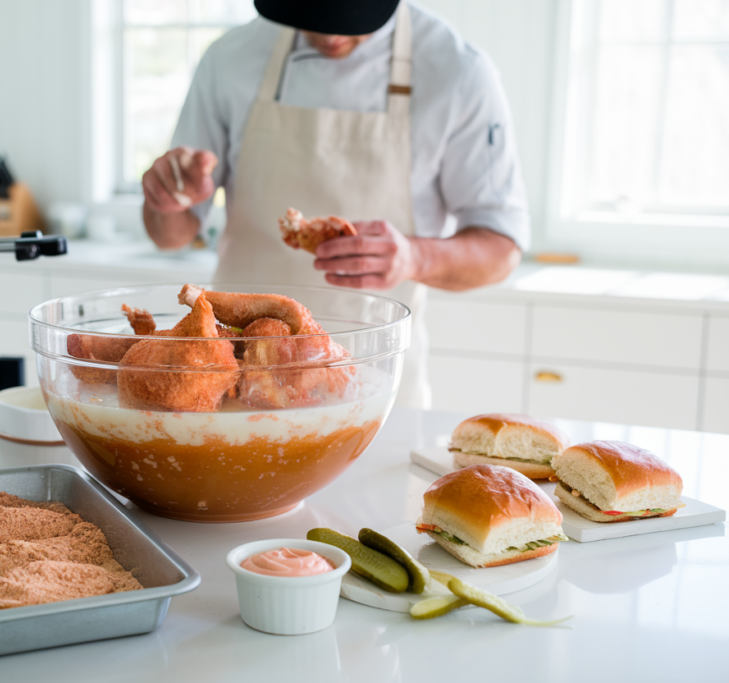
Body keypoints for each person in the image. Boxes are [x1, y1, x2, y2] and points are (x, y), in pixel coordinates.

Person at [140, 0, 528, 409]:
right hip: (234, 385)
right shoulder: (230, 58)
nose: (329, 36)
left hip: (375, 388)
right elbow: (170, 235)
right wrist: (167, 197)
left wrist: (414, 257)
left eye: (352, 16)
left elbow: (501, 249)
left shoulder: (458, 71)